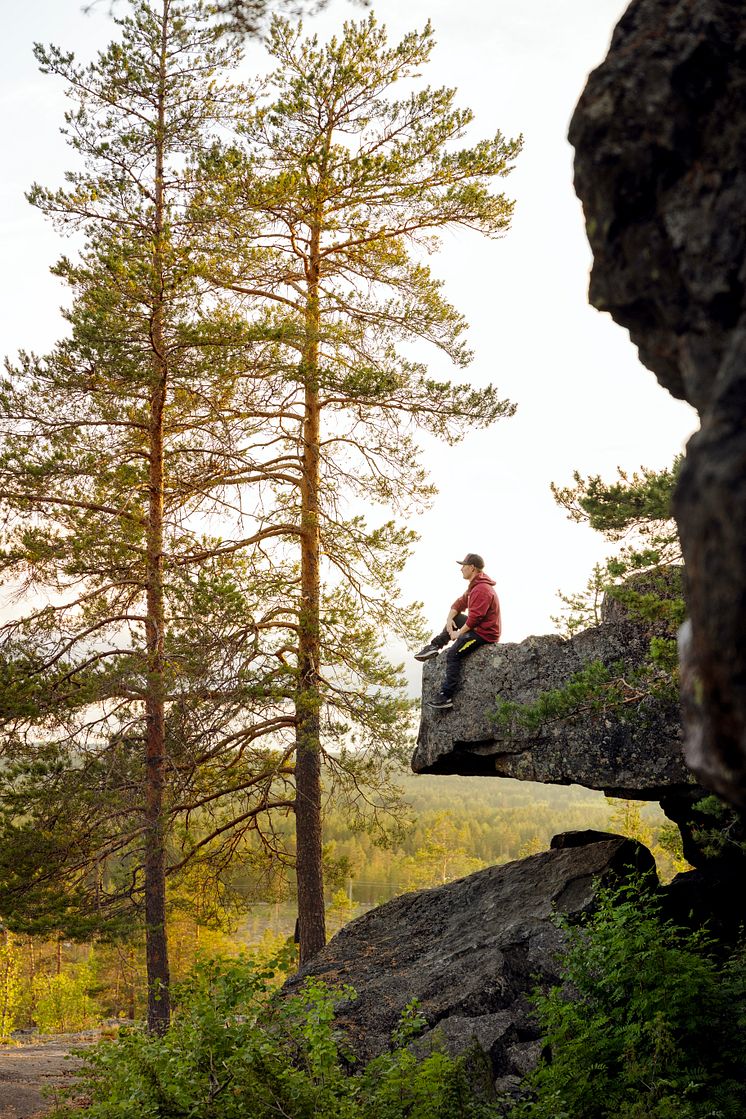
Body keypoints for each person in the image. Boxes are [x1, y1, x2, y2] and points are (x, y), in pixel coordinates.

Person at [414, 553, 501, 710]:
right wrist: (449, 620)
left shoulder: (482, 589)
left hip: (485, 634)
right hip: (477, 627)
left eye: (464, 565)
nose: (461, 569)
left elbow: (475, 618)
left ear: (472, 567)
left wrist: (458, 634)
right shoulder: (474, 586)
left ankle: (446, 696)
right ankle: (434, 646)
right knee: (458, 617)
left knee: (453, 654)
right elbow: (459, 604)